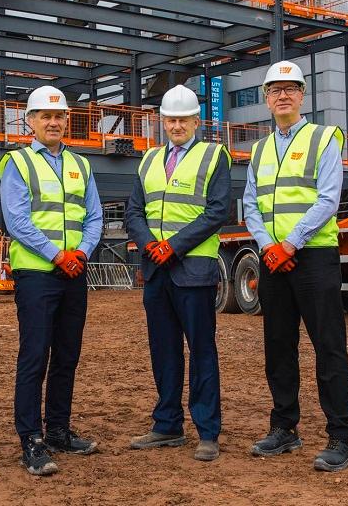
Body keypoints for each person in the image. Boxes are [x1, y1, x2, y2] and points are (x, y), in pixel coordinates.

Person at [243, 60, 348, 472]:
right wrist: (267, 246)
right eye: (275, 90)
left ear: (303, 95)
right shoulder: (259, 149)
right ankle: (284, 428)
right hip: (273, 257)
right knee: (278, 346)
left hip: (312, 256)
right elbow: (250, 204)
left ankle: (342, 437)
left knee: (328, 347)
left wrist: (291, 243)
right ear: (266, 98)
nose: (283, 95)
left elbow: (328, 198)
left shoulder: (324, 138)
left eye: (291, 88)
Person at [0, 85, 104, 476]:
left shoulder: (81, 165)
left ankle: (58, 429)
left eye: (59, 116)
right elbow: (17, 219)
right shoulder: (18, 163)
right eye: (45, 116)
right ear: (31, 122)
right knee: (34, 356)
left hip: (73, 272)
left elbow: (94, 217)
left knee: (67, 356)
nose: (53, 122)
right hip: (38, 274)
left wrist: (82, 252)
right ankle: (31, 438)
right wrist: (56, 254)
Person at [124, 84, 232, 462]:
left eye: (183, 119)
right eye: (170, 119)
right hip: (157, 271)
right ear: (162, 122)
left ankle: (207, 430)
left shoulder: (214, 155)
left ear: (196, 121)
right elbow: (133, 212)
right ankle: (167, 425)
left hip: (194, 271)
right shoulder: (148, 160)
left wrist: (174, 245)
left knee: (201, 351)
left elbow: (218, 211)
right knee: (164, 351)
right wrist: (151, 244)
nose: (176, 125)